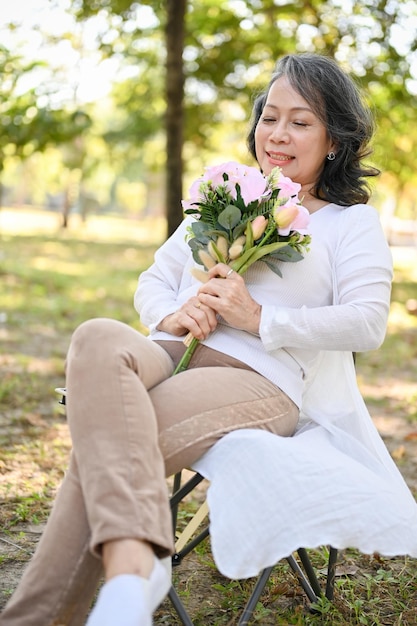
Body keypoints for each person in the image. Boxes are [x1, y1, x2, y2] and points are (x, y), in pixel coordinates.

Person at [1, 52, 415, 626]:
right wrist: (171, 315)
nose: (277, 133)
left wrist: (259, 318)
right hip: (173, 353)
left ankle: (70, 600)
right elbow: (155, 280)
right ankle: (135, 568)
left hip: (259, 379)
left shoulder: (349, 224)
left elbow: (367, 322)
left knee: (114, 443)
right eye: (270, 117)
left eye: (301, 121)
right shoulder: (227, 194)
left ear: (334, 141)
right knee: (96, 336)